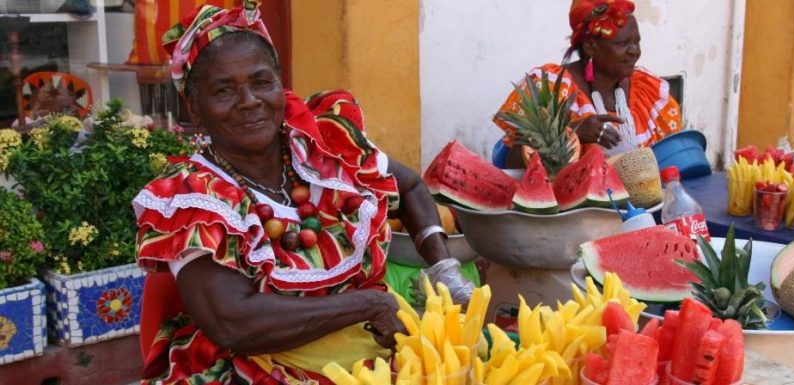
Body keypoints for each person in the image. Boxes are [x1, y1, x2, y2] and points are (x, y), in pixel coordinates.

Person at [132, 2, 473, 384]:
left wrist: (443, 266)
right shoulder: (195, 196)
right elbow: (234, 324)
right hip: (260, 369)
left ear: (281, 86)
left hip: (370, 361)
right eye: (224, 90)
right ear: (195, 109)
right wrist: (369, 304)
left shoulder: (322, 151)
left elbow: (408, 186)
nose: (249, 101)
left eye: (262, 82)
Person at [494, 0, 683, 166]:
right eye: (623, 43)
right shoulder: (551, 87)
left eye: (637, 42)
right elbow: (511, 164)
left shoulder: (648, 90)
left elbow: (672, 158)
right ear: (590, 46)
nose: (634, 51)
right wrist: (571, 133)